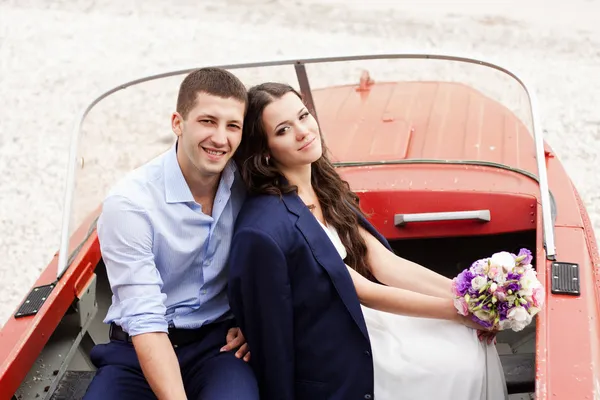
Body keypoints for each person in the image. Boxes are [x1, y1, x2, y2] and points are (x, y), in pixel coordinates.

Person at [227, 82, 508, 400]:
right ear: (264, 149)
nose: (304, 131)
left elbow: (385, 264)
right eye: (283, 130)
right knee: (458, 359)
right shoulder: (271, 219)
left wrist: (471, 294)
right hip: (340, 339)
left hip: (363, 317)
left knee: (466, 339)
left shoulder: (321, 185)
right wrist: (460, 312)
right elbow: (362, 290)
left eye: (304, 116)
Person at [83, 68, 259, 400]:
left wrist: (258, 321)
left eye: (232, 125)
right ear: (178, 123)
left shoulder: (249, 182)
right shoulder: (130, 204)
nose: (221, 138)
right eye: (208, 121)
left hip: (219, 347)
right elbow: (144, 318)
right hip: (136, 349)